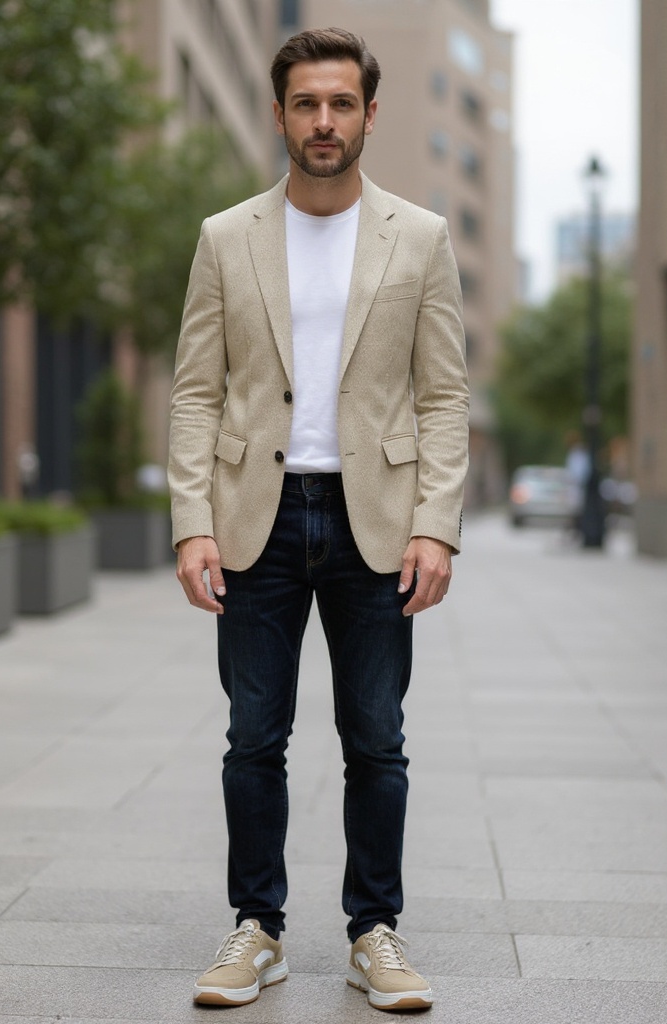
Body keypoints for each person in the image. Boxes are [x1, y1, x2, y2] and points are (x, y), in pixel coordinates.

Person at [168, 27, 469, 1012]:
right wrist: (190, 521)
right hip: (255, 513)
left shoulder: (419, 237)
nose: (324, 121)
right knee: (253, 736)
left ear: (369, 114)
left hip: (372, 519)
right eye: (306, 104)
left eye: (341, 104)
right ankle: (257, 930)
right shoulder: (225, 238)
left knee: (374, 737)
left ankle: (372, 932)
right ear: (279, 112)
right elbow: (195, 393)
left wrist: (436, 523)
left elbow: (442, 398)